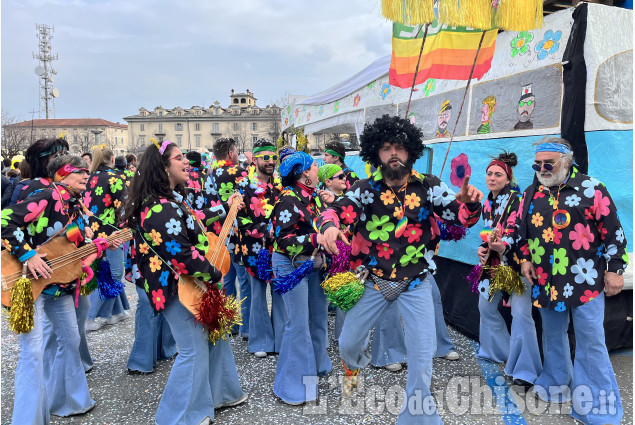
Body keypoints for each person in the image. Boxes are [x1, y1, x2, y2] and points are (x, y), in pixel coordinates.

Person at [319, 114, 482, 424]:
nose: (393, 153)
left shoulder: (429, 186)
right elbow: (339, 209)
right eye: (385, 148)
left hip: (415, 283)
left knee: (422, 359)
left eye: (399, 147)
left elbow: (459, 215)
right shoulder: (364, 188)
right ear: (375, 154)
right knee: (348, 344)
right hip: (373, 282)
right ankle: (352, 367)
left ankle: (418, 419)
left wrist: (470, 205)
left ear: (410, 151)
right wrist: (328, 224)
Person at [122, 139, 247, 425]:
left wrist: (222, 212)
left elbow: (195, 224)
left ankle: (212, 401)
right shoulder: (158, 208)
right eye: (179, 158)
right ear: (163, 168)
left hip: (188, 284)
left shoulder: (172, 200)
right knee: (191, 350)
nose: (186, 162)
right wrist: (213, 273)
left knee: (208, 341)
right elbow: (181, 254)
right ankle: (176, 418)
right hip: (176, 288)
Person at [510, 137, 626, 425]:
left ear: (567, 161)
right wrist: (524, 259)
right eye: (537, 164)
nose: (541, 169)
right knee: (552, 338)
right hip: (547, 282)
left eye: (548, 163)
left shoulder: (592, 189)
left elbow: (614, 232)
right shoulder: (530, 193)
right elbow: (519, 233)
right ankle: (555, 386)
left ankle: (598, 410)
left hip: (586, 281)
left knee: (591, 342)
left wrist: (615, 270)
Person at [2, 155, 123, 423]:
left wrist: (105, 240)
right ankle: (27, 420)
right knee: (32, 351)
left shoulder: (76, 204)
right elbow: (4, 219)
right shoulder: (45, 196)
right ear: (61, 173)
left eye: (86, 171)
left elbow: (87, 232)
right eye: (79, 171)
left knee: (71, 340)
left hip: (61, 285)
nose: (86, 175)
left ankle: (68, 401)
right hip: (30, 282)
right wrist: (27, 255)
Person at [474, 151, 541, 387]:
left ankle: (525, 371)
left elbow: (518, 231)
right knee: (486, 307)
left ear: (507, 178)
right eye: (489, 173)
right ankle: (501, 353)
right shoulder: (486, 203)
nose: (492, 178)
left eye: (498, 174)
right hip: (494, 265)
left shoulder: (517, 198)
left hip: (518, 263)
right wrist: (483, 249)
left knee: (521, 315)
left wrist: (503, 245)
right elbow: (488, 233)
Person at [271, 151, 332, 405]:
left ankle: (315, 369)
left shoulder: (311, 197)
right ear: (305, 173)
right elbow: (282, 239)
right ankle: (292, 387)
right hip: (290, 264)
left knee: (317, 319)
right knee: (297, 325)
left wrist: (330, 205)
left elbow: (320, 223)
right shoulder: (288, 199)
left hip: (312, 263)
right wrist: (315, 239)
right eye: (315, 166)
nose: (319, 170)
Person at [235, 139, 286, 358]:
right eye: (265, 157)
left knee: (280, 293)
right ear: (254, 159)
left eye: (273, 157)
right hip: (254, 249)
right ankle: (260, 342)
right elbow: (240, 219)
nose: (270, 162)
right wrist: (264, 230)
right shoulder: (244, 186)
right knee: (257, 295)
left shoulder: (282, 186)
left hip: (280, 250)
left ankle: (281, 339)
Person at [203, 138, 251, 337]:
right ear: (231, 153)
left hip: (218, 233)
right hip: (237, 233)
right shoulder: (240, 173)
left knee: (227, 281)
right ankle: (247, 327)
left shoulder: (209, 175)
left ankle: (230, 324)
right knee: (245, 281)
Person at [84, 144, 130, 331]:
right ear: (112, 159)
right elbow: (125, 208)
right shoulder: (115, 179)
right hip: (111, 234)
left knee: (103, 271)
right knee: (115, 273)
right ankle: (91, 315)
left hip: (91, 232)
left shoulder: (88, 178)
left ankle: (117, 312)